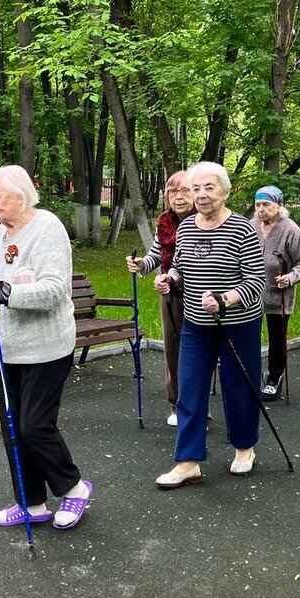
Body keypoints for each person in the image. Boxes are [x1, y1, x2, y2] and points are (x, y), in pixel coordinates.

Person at [0, 165, 94, 530]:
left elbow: (54, 290)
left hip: (46, 347)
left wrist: (7, 293)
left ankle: (74, 488)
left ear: (20, 195)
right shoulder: (2, 233)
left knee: (35, 426)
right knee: (12, 426)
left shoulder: (47, 229)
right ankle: (32, 503)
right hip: (8, 347)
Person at [153, 161, 265, 488]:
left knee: (238, 387)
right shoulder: (187, 228)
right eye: (195, 188)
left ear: (225, 192)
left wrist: (226, 299)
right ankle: (188, 461)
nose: (201, 195)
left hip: (238, 323)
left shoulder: (242, 229)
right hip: (196, 324)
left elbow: (257, 280)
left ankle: (245, 449)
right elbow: (179, 269)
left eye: (209, 188)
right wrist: (169, 280)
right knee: (189, 387)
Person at [127, 170, 194, 426]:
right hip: (169, 293)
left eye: (184, 190)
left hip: (201, 294)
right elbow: (157, 253)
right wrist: (142, 264)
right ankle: (177, 404)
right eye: (172, 192)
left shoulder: (203, 219)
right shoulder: (165, 220)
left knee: (197, 353)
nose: (178, 197)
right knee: (172, 350)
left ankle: (198, 405)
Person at [253, 185, 300, 400]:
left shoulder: (291, 230)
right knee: (249, 336)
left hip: (279, 296)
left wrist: (290, 277)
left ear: (278, 205)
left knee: (277, 339)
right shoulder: (251, 226)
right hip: (251, 295)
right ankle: (251, 374)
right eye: (257, 205)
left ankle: (274, 377)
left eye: (266, 204)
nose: (261, 209)